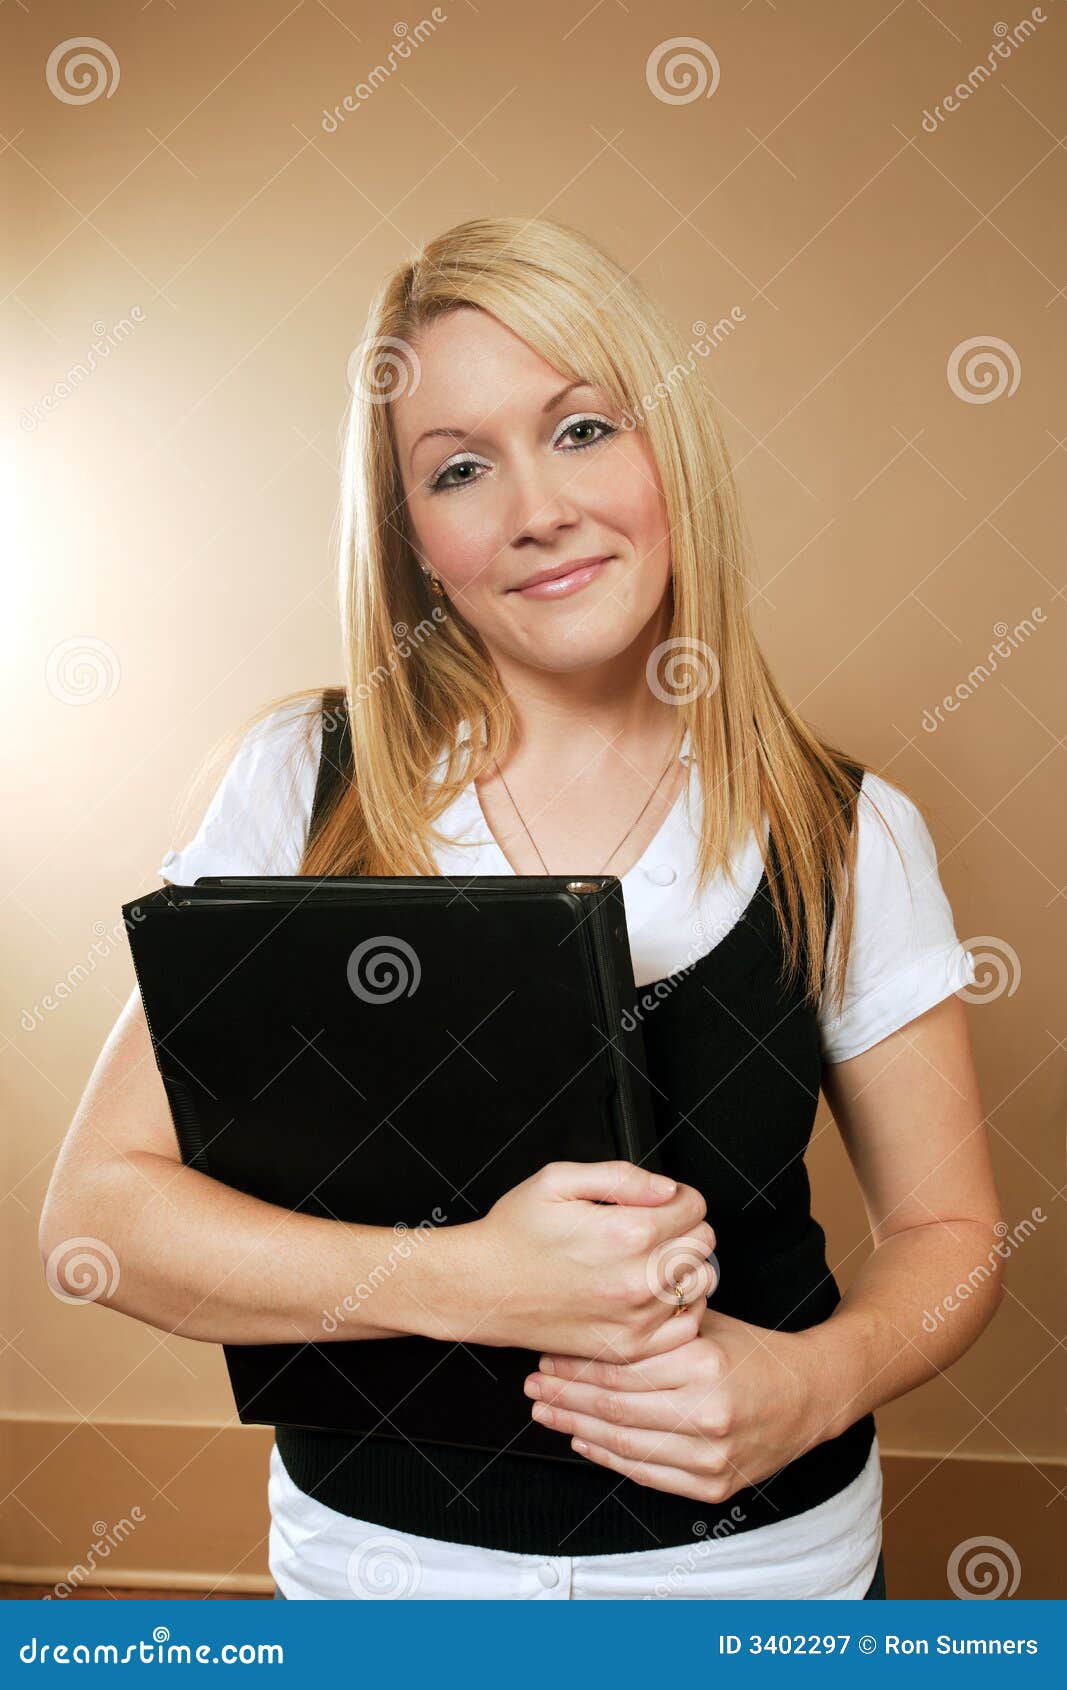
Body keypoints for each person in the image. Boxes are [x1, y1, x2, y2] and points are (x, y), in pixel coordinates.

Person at [41, 215, 1004, 1602]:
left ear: (672, 453)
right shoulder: (302, 789)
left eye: (583, 430)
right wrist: (474, 1278)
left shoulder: (845, 831)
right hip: (382, 1566)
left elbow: (950, 1236)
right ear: (415, 538)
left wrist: (809, 1381)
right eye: (460, 468)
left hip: (757, 1576)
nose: (537, 509)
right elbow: (102, 1221)